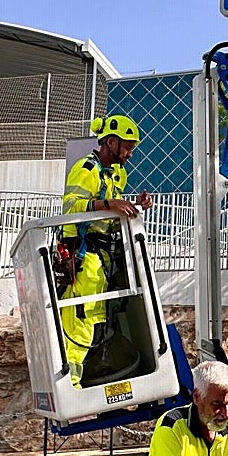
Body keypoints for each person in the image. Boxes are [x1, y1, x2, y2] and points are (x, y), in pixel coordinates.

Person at [59, 115, 153, 387]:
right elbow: (70, 210)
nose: (130, 154)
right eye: (127, 147)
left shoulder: (117, 174)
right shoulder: (86, 169)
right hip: (83, 253)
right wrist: (106, 203)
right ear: (110, 142)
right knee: (82, 317)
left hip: (104, 256)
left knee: (98, 316)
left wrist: (134, 203)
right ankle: (71, 384)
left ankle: (84, 376)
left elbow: (111, 209)